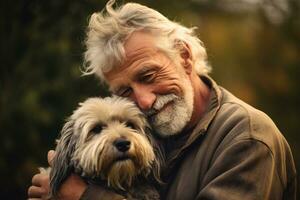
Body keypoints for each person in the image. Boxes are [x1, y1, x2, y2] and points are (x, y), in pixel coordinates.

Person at [28, 0, 297, 199]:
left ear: (184, 56)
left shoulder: (247, 137)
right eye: (125, 91)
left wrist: (83, 196)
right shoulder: (151, 132)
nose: (143, 102)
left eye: (148, 75)